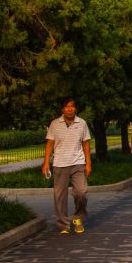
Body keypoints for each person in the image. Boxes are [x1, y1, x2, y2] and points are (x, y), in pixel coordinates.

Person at [42, 97, 92, 235]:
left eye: (72, 106)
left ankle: (78, 218)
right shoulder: (54, 124)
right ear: (62, 109)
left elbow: (86, 144)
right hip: (60, 164)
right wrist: (46, 162)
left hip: (78, 163)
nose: (69, 109)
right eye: (66, 106)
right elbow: (49, 144)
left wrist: (88, 163)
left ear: (75, 108)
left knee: (81, 192)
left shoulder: (81, 123)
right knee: (60, 196)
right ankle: (63, 224)